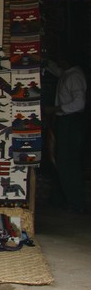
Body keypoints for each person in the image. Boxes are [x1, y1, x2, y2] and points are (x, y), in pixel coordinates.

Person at [45, 54, 87, 213]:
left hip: (71, 121)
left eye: (60, 58)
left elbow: (79, 103)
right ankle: (62, 200)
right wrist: (45, 61)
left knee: (68, 162)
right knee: (60, 160)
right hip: (65, 122)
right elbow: (57, 71)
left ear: (67, 60)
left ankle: (75, 203)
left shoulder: (74, 76)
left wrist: (55, 109)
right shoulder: (67, 73)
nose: (58, 61)